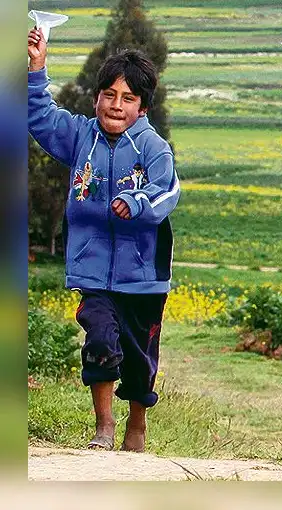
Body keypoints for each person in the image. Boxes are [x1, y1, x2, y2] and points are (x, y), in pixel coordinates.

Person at [28, 26, 180, 452]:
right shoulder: (80, 136)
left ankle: (136, 423)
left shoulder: (154, 148)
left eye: (128, 98)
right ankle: (104, 425)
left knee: (139, 357)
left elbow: (168, 191)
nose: (116, 105)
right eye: (109, 95)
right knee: (98, 338)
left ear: (143, 106)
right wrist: (37, 69)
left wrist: (137, 202)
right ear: (96, 98)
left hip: (143, 275)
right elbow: (38, 115)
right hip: (92, 269)